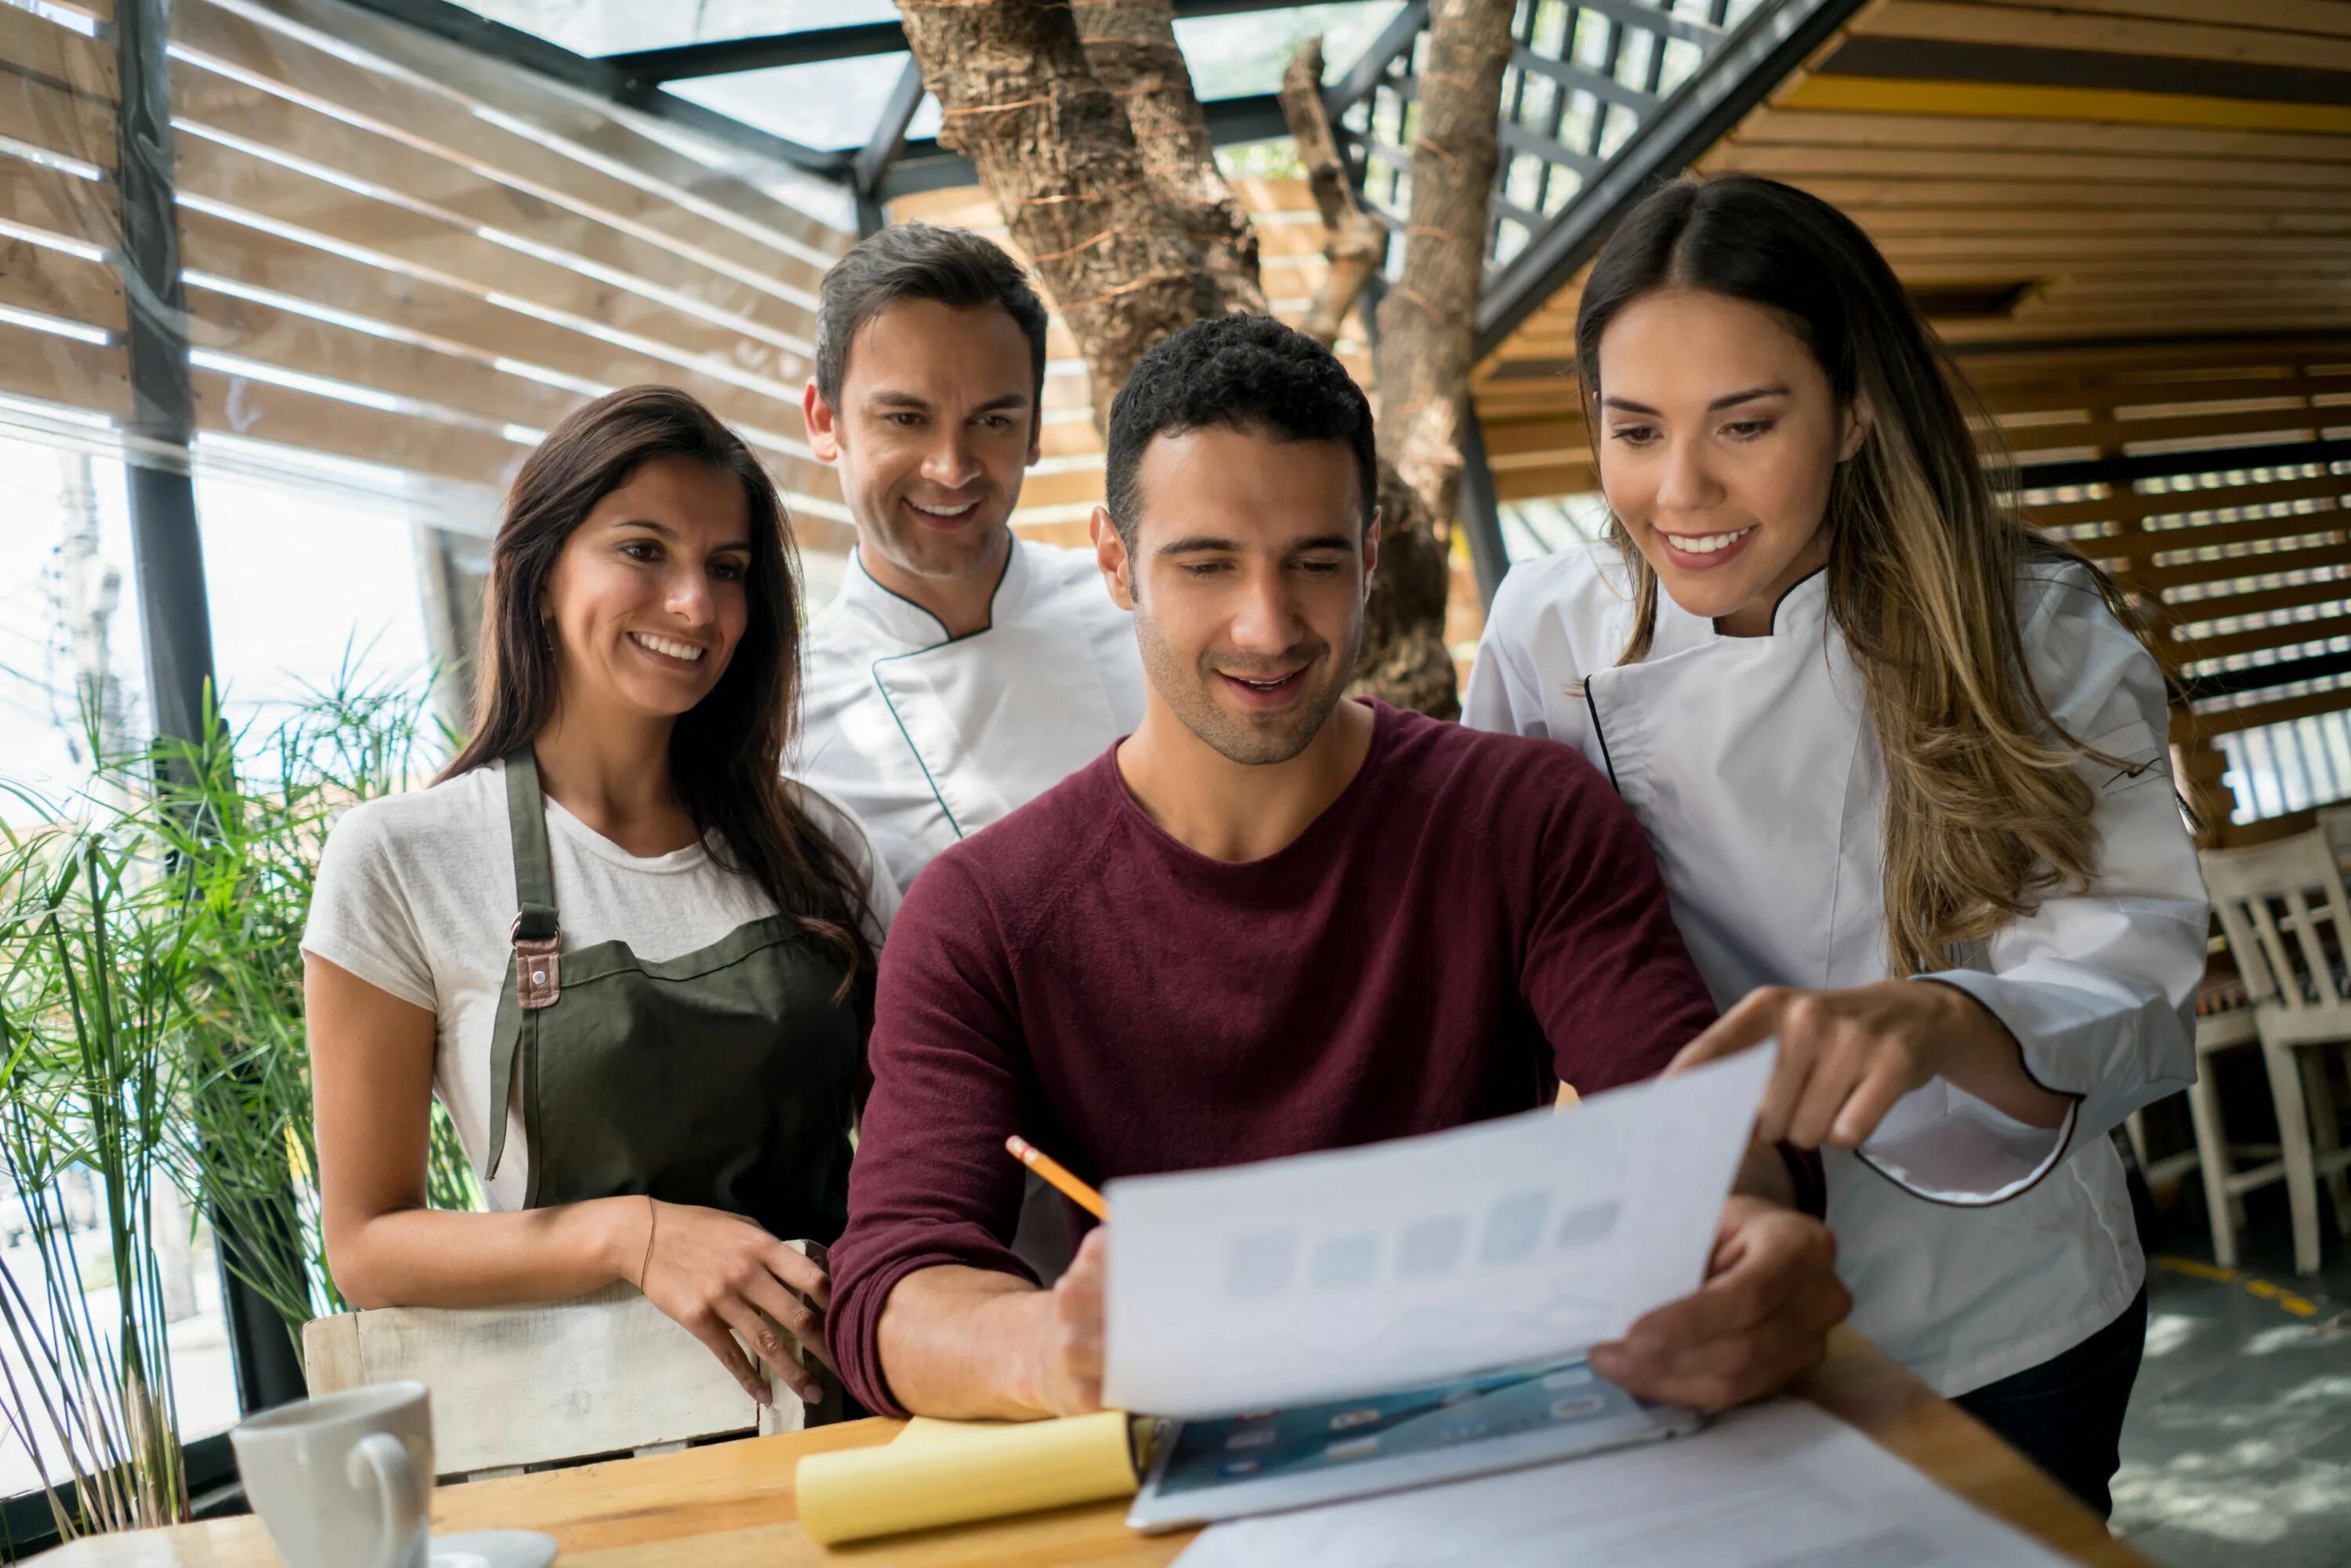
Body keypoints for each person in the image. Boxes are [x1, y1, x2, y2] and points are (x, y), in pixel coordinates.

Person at [827, 313, 1848, 1422]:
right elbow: (887, 1293)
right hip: (1182, 1478)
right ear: (1116, 563)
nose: (1266, 626)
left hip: (1500, 1442)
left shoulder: (1525, 821)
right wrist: (1044, 1349)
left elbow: (1687, 1124)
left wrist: (1742, 1224)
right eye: (1206, 563)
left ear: (1369, 555)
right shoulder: (981, 916)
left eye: (1313, 562)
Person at [1464, 173, 2207, 1516]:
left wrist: (1933, 1019)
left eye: (1746, 424)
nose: (1678, 489)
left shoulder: (2033, 630)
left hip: (2007, 1305)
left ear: (1855, 408)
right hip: (1705, 1293)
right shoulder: (1546, 632)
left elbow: (2140, 981)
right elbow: (1511, 939)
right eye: (1633, 430)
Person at [304, 386, 897, 1408]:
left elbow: (906, 1154)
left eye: (728, 569)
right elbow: (368, 1245)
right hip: (598, 1432)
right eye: (643, 551)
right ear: (536, 578)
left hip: (853, 1401)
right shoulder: (403, 861)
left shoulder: (819, 847)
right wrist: (635, 1233)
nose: (694, 606)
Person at [797, 223, 1147, 896]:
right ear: (825, 422)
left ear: (1035, 429)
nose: (951, 469)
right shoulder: (786, 719)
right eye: (905, 418)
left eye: (993, 422)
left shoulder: (1136, 614)